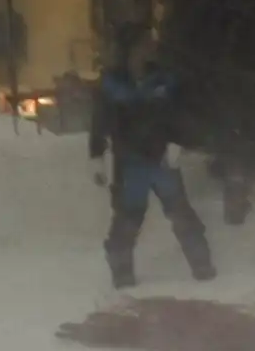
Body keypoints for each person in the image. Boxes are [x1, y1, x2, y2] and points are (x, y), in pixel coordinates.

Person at [90, 31, 215, 290]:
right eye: (139, 49)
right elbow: (100, 122)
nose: (145, 53)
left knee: (180, 213)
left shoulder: (164, 80)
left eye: (148, 48)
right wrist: (97, 156)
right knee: (127, 218)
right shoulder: (112, 85)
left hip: (162, 160)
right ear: (127, 53)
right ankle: (121, 271)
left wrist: (180, 141)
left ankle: (202, 265)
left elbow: (181, 114)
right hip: (130, 163)